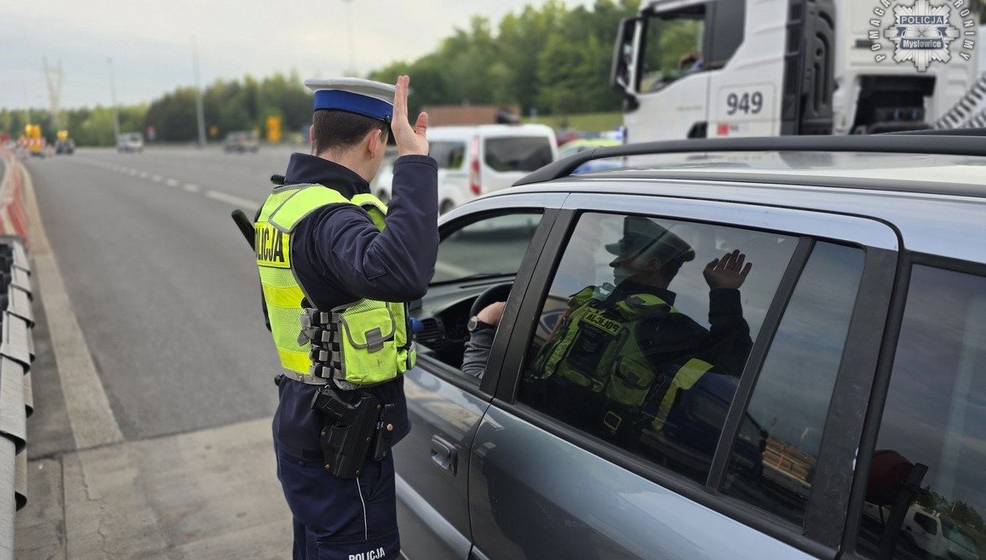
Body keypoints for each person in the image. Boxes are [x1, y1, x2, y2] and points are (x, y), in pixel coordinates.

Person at [254, 75, 436, 560]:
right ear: (378, 141)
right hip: (344, 439)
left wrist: (413, 330)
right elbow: (402, 273)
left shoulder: (282, 207)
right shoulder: (331, 216)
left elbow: (302, 311)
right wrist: (415, 162)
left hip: (301, 419)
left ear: (315, 135)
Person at [464, 216, 752, 444]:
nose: (615, 262)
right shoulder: (591, 302)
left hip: (577, 450)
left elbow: (736, 364)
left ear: (652, 264)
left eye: (625, 254)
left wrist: (724, 295)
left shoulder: (665, 327)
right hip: (535, 429)